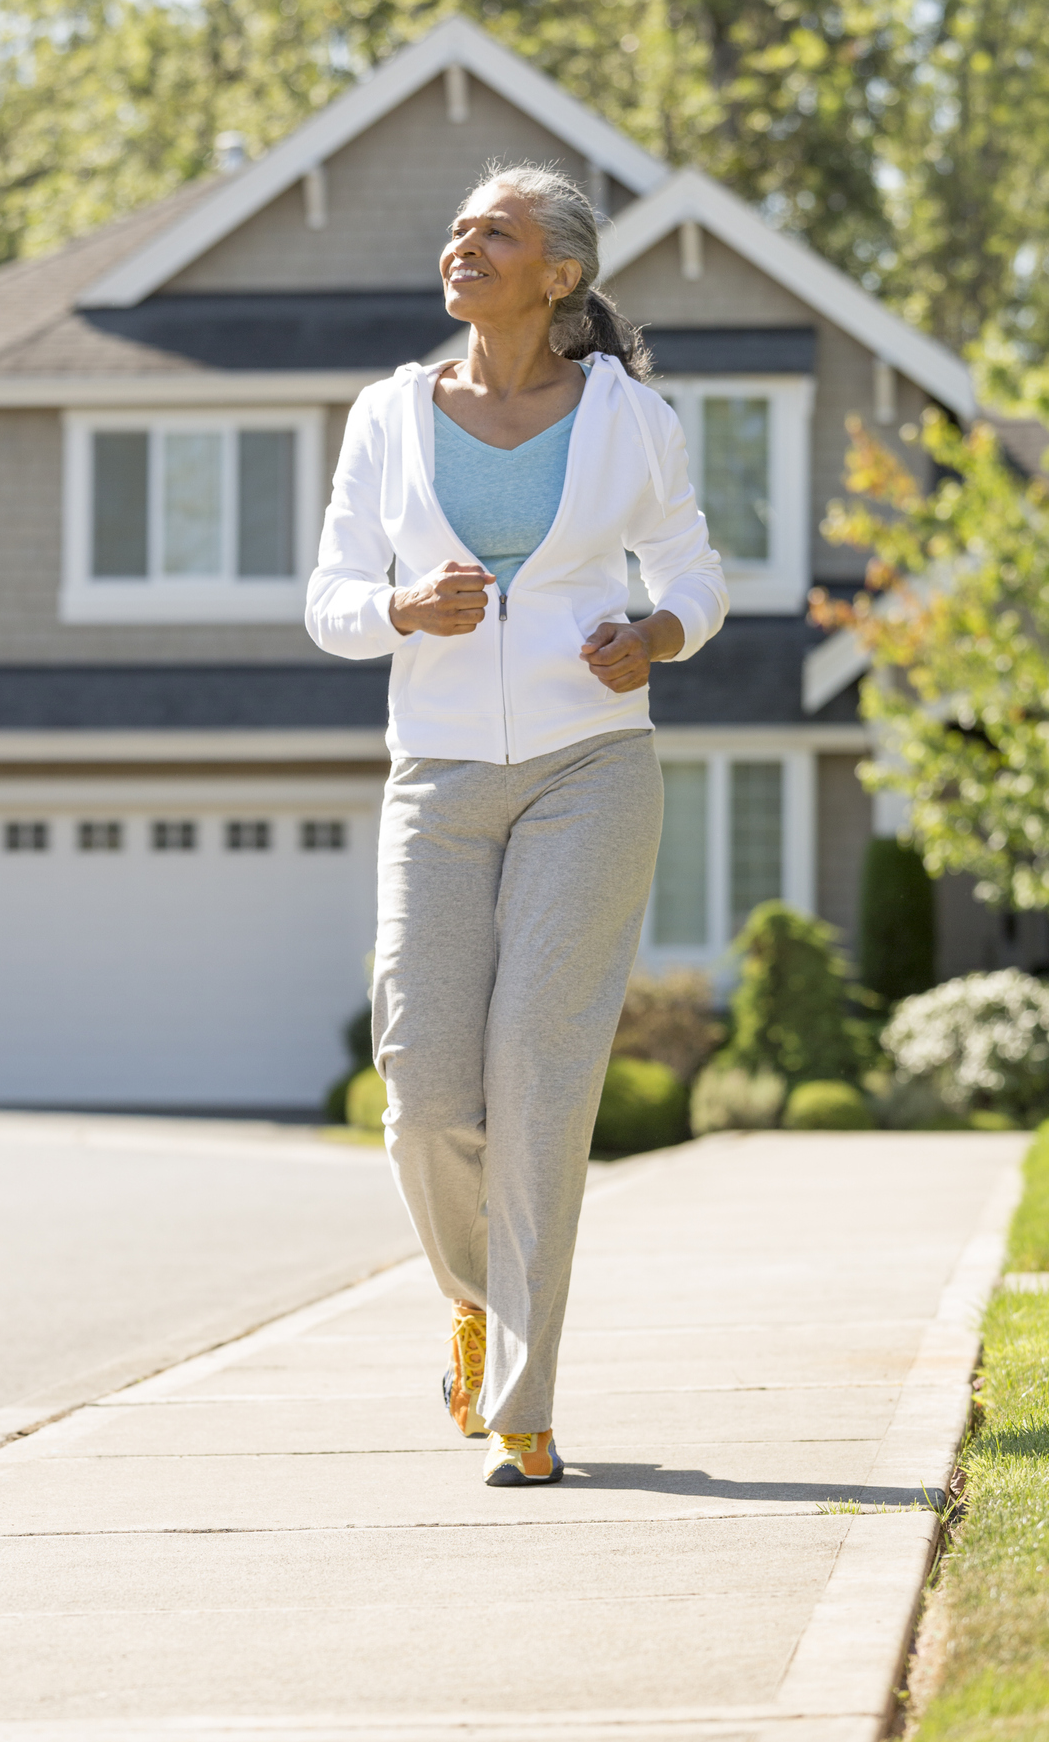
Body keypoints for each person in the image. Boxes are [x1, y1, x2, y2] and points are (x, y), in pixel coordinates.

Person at [304, 163, 728, 1487]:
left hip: (590, 768)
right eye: (454, 228)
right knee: (424, 1092)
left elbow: (697, 574)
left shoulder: (628, 419)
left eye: (495, 228)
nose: (462, 242)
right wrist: (396, 613)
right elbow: (327, 595)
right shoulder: (387, 414)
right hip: (435, 775)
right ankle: (476, 1295)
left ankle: (524, 1404)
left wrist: (652, 634)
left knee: (539, 1081)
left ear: (559, 273)